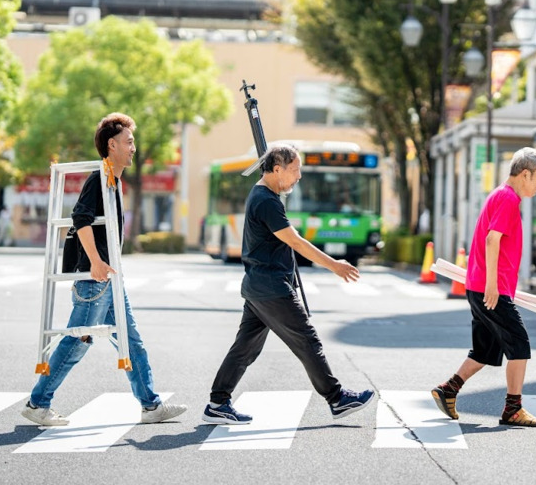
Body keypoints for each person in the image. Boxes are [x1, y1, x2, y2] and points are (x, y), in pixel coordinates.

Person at [21, 113, 187, 427]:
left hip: (109, 279)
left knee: (131, 340)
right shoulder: (99, 178)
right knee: (77, 339)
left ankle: (151, 406)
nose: (134, 147)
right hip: (95, 277)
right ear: (112, 145)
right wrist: (96, 262)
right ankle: (37, 403)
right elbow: (80, 219)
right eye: (129, 141)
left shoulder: (112, 178)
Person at [203, 143, 375, 424]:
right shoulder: (266, 201)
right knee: (307, 341)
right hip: (271, 287)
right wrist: (335, 266)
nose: (299, 177)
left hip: (259, 285)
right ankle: (337, 398)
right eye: (295, 171)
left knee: (245, 348)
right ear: (277, 169)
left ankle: (217, 403)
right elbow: (295, 241)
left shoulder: (264, 195)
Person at [430, 147, 536, 427]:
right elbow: (492, 240)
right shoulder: (508, 199)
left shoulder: (501, 195)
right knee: (519, 345)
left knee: (485, 350)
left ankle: (449, 389)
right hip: (489, 289)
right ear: (525, 173)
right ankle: (513, 409)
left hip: (483, 287)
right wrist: (494, 286)